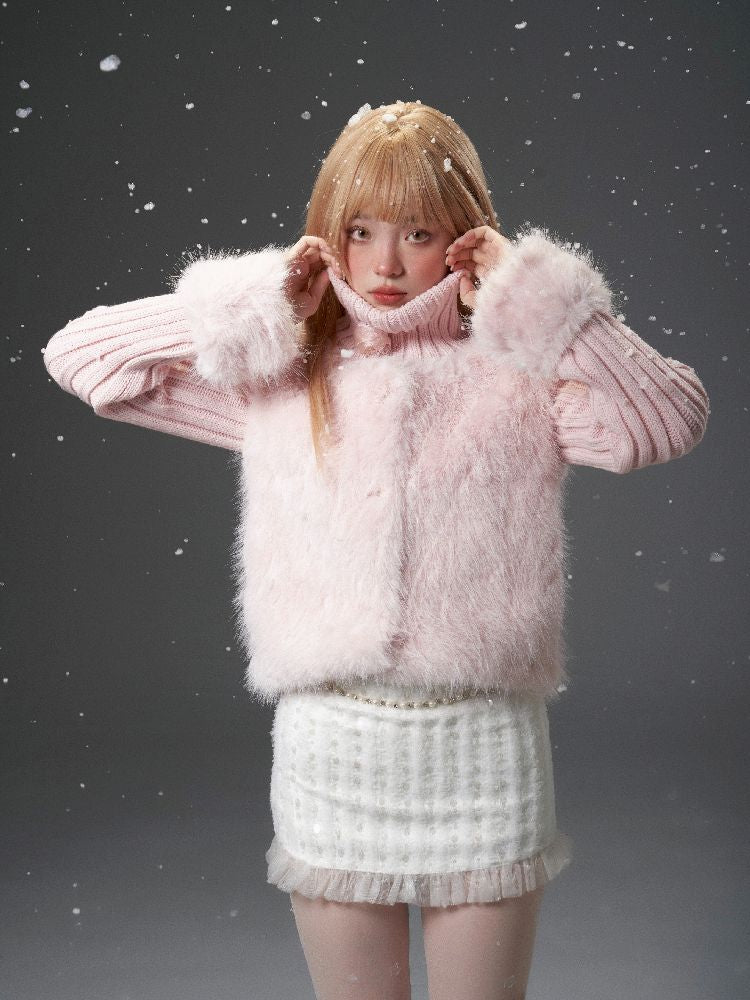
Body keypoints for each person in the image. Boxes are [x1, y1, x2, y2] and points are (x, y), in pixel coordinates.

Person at [42, 99, 710, 1000]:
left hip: (484, 745)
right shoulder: (282, 377)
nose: (386, 264)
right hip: (333, 746)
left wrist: (548, 308)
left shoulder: (521, 380)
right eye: (359, 231)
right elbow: (85, 359)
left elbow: (666, 420)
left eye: (418, 232)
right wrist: (252, 306)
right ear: (328, 237)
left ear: (465, 243)